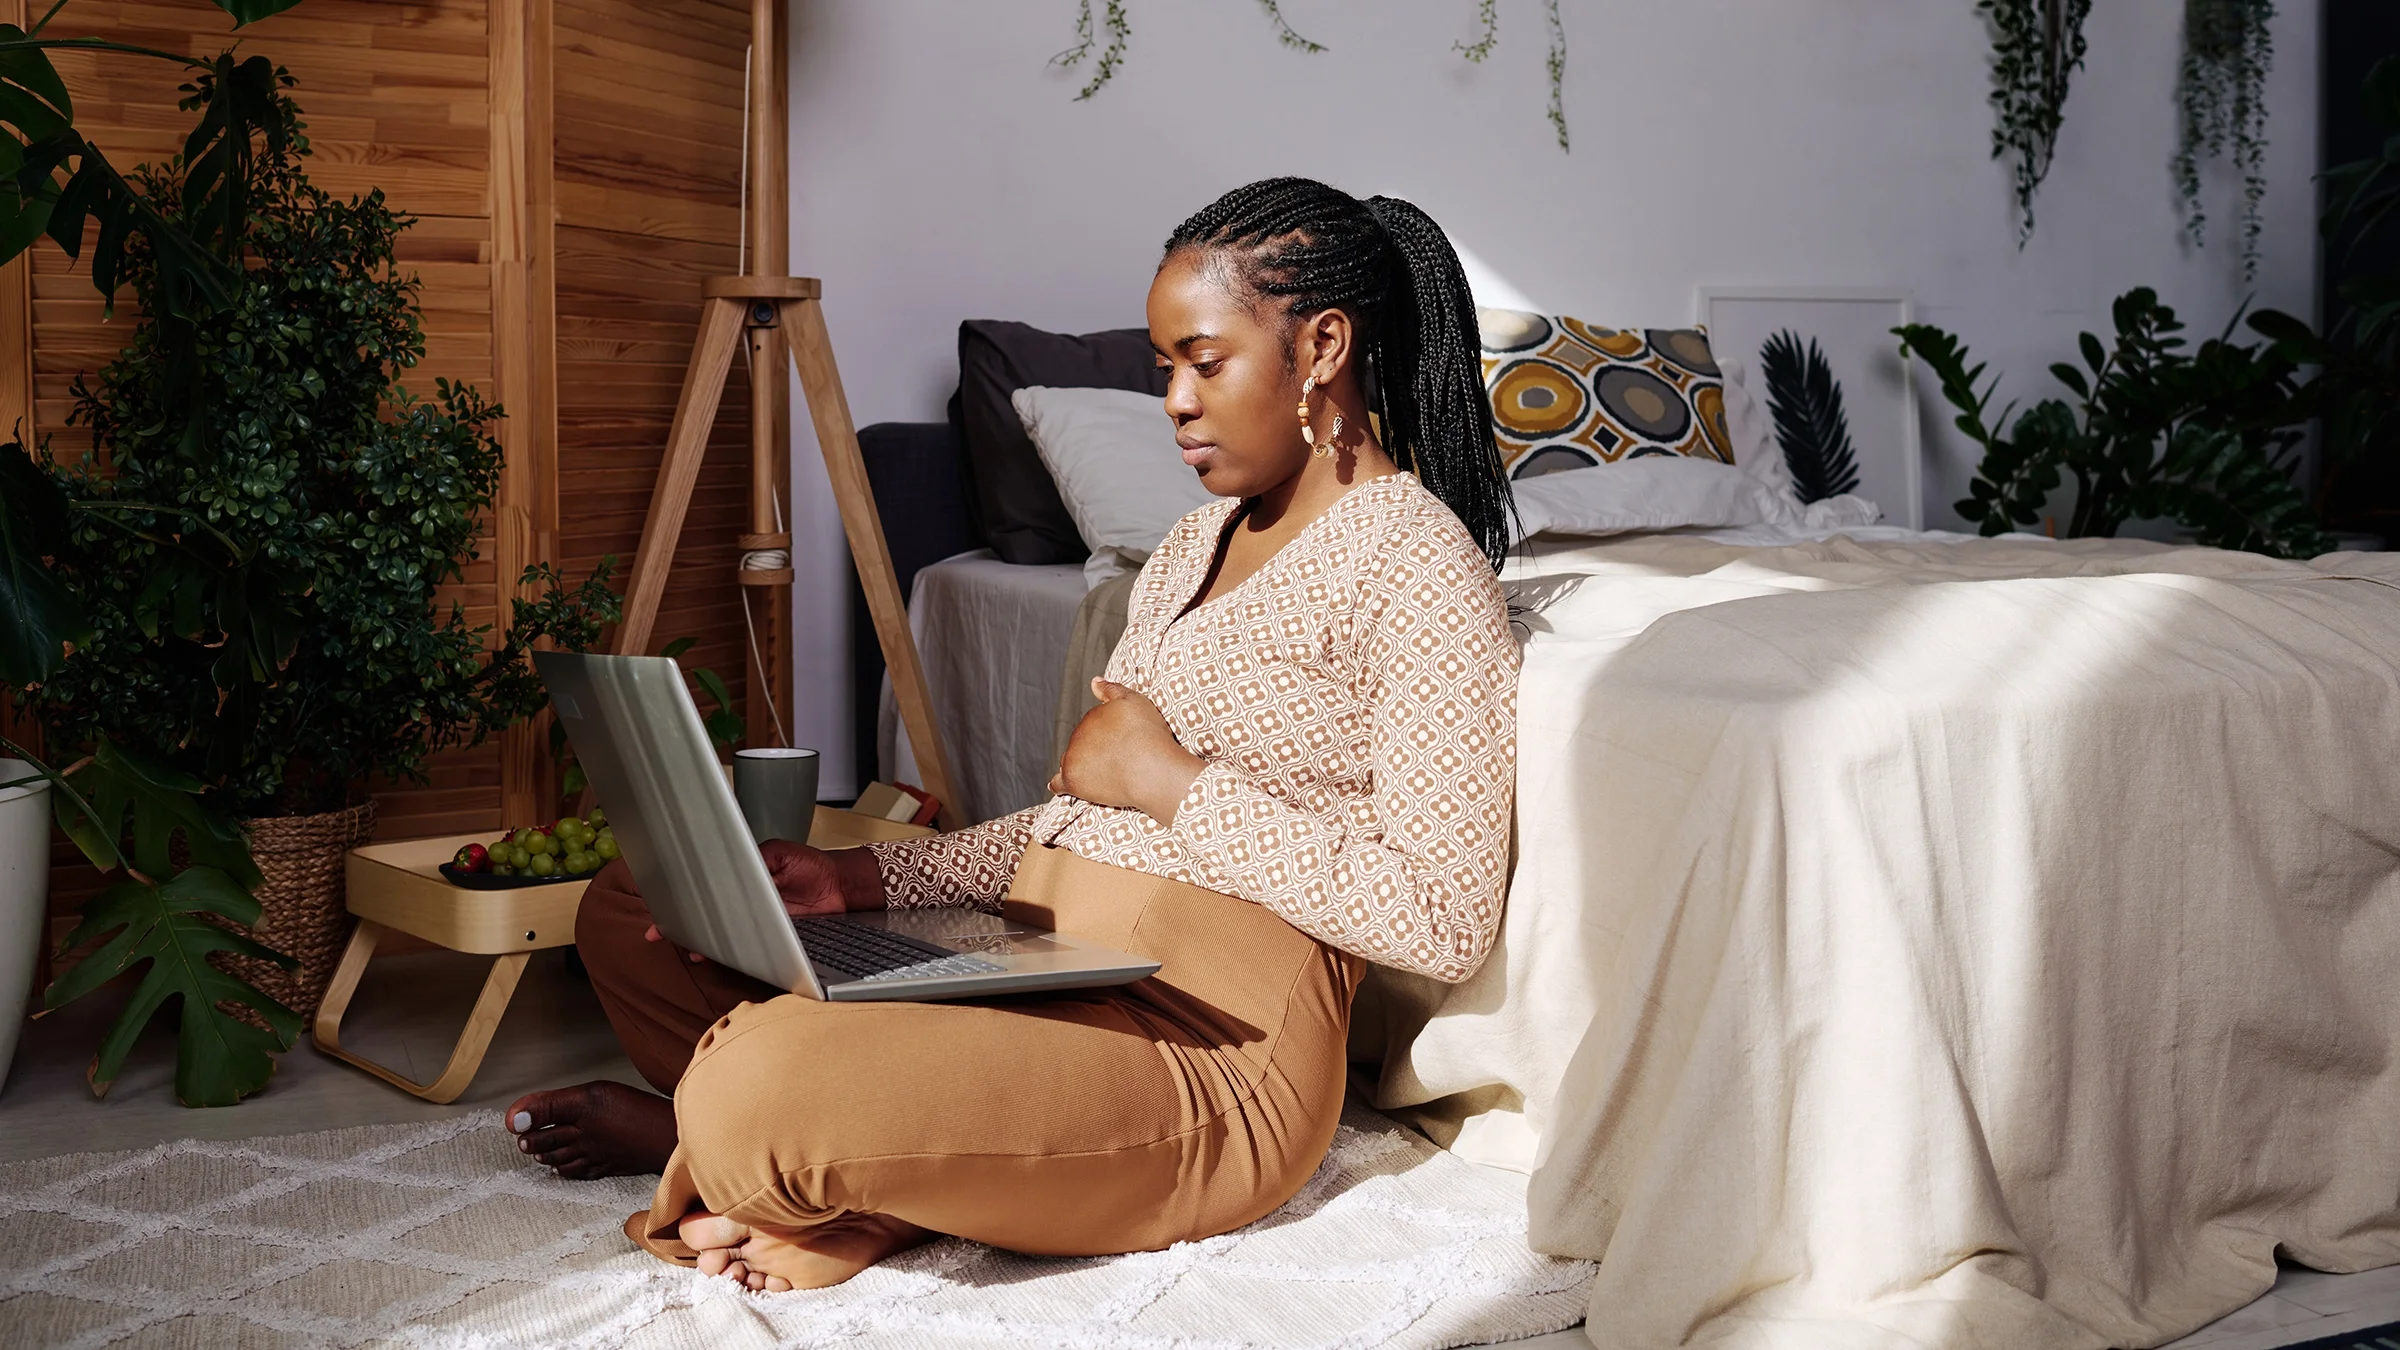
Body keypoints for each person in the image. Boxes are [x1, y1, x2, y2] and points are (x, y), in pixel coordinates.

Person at [505, 176, 1522, 1293]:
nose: (1174, 400)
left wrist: (1174, 782)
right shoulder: (1191, 545)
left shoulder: (1421, 569)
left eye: (1205, 361)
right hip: (1038, 957)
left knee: (760, 1079)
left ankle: (723, 1140)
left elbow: (1441, 918)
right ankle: (840, 1164)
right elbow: (1084, 817)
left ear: (1321, 346)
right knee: (639, 904)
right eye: (1163, 368)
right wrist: (867, 882)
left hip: (1204, 1049)